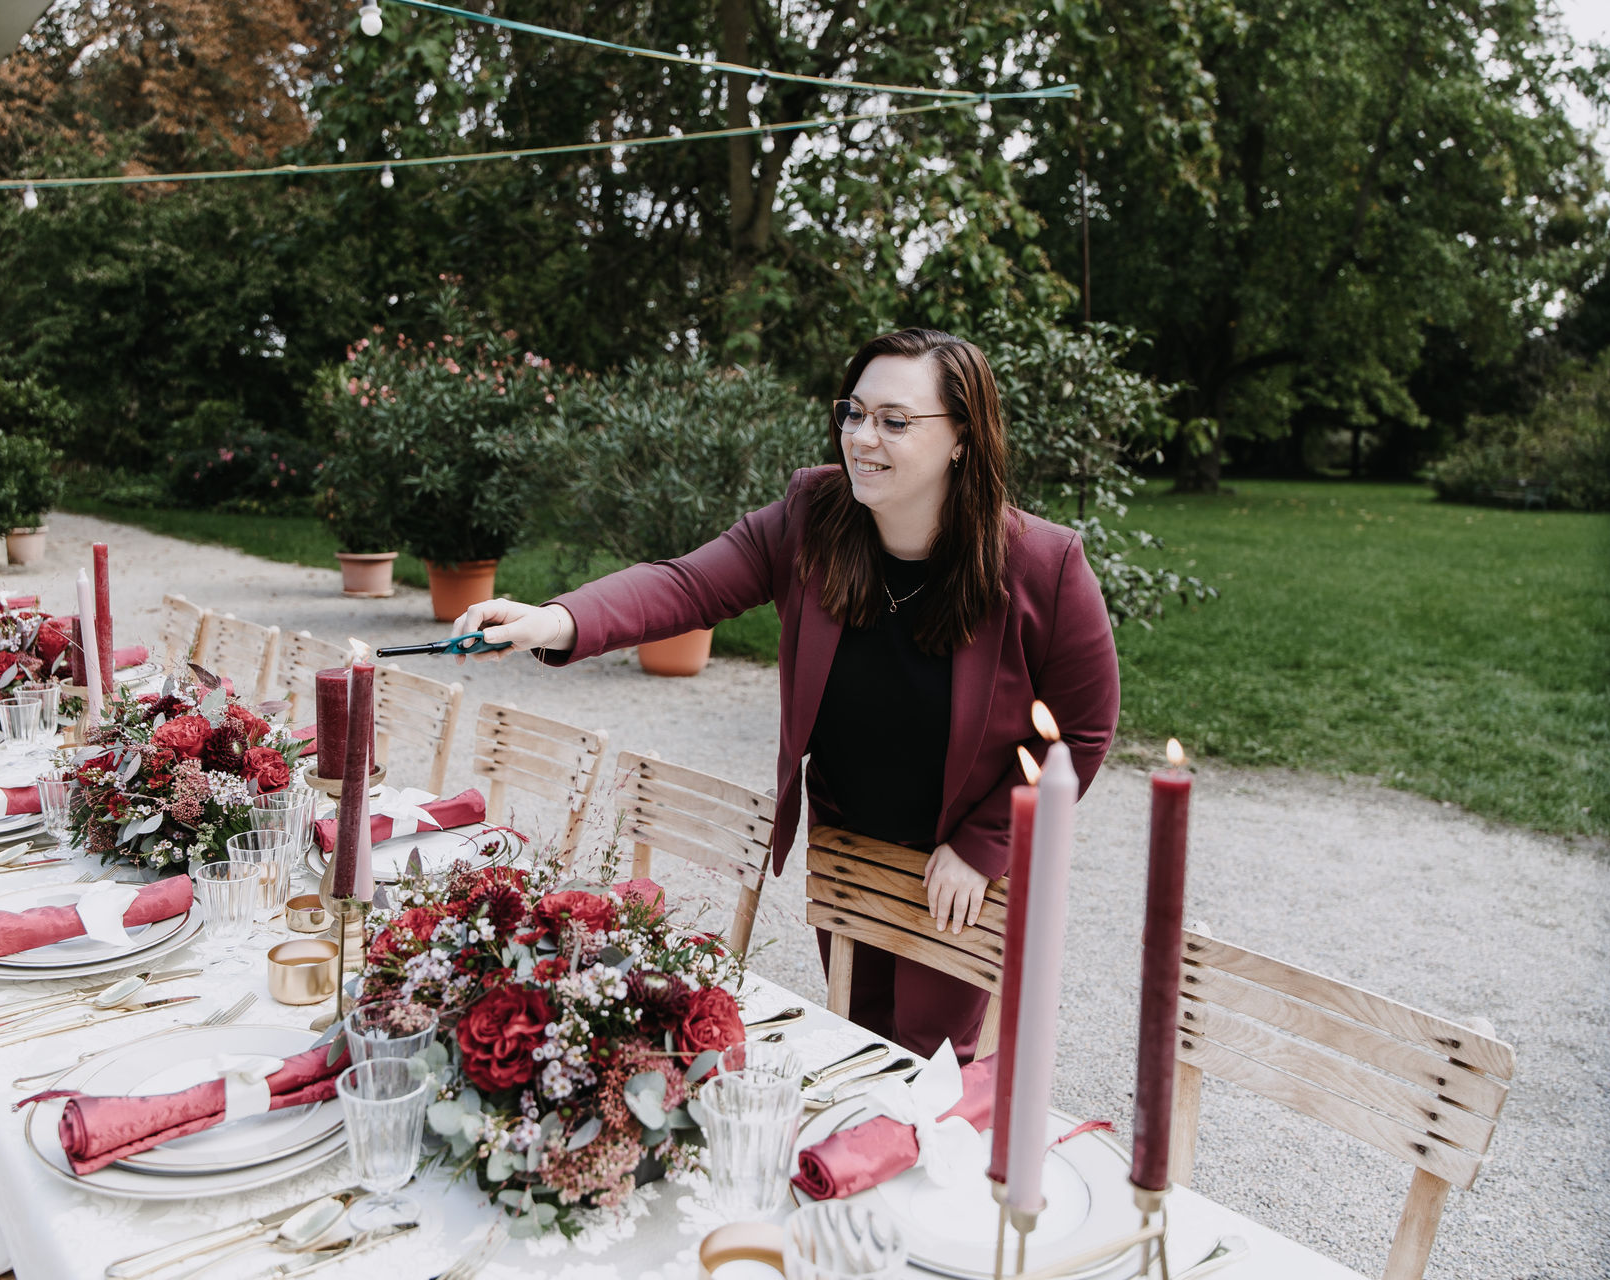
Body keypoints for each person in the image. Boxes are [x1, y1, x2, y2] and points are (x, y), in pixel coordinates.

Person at [450, 328, 1120, 1060]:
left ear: (962, 436)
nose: (862, 438)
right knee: (858, 1043)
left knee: (932, 1065)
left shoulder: (1043, 565)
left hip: (955, 862)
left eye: (895, 421)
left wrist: (983, 842)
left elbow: (1081, 730)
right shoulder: (813, 515)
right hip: (848, 836)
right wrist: (556, 619)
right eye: (853, 413)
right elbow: (689, 583)